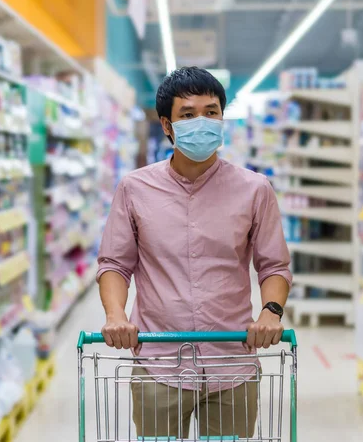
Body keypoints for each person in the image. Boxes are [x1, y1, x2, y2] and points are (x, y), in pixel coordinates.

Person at [96, 66, 292, 438]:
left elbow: (274, 266)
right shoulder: (134, 189)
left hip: (231, 361)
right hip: (159, 362)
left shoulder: (255, 189)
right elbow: (115, 264)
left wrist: (271, 313)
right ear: (167, 125)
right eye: (188, 114)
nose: (202, 122)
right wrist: (115, 314)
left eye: (211, 111)